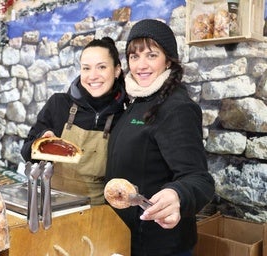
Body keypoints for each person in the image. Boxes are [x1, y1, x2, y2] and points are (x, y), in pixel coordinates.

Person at [105, 19, 215, 256]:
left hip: (160, 244)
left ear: (168, 60)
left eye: (151, 55)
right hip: (126, 237)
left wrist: (178, 194)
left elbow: (199, 179)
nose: (141, 65)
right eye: (134, 56)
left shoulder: (177, 108)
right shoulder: (137, 100)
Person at [22, 37, 126, 205]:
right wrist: (41, 144)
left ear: (116, 70)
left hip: (98, 213)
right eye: (86, 68)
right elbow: (26, 151)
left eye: (102, 67)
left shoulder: (125, 116)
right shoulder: (58, 104)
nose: (93, 76)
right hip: (52, 207)